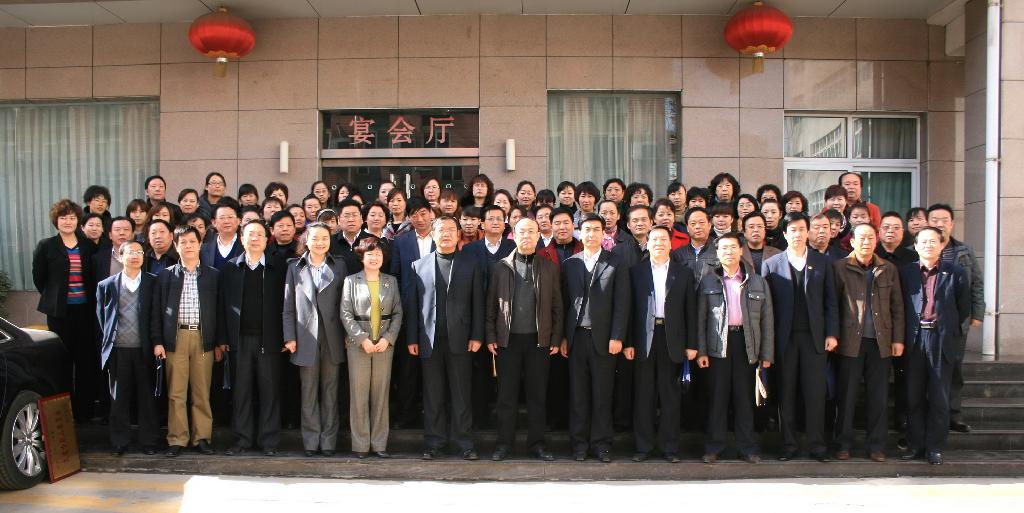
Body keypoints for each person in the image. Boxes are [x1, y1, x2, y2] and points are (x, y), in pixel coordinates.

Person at [761, 212, 839, 462]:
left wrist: (832, 333)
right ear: (785, 234)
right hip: (784, 340)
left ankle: (817, 445)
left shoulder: (823, 262)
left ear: (808, 232)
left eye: (801, 229)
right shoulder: (772, 264)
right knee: (786, 393)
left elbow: (831, 301)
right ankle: (788, 445)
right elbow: (766, 308)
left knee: (815, 393)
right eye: (792, 230)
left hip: (815, 339)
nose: (797, 234)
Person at [407, 216, 485, 461]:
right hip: (429, 340)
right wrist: (412, 338)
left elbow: (478, 302)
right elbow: (413, 305)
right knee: (433, 395)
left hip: (461, 339)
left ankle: (464, 443)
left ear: (458, 234)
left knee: (461, 394)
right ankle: (434, 443)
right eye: (442, 230)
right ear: (433, 234)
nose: (447, 234)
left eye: (452, 229)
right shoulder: (418, 265)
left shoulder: (470, 264)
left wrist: (477, 335)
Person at [486, 218, 563, 462]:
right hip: (507, 341)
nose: (527, 236)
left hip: (539, 342)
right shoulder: (501, 267)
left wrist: (555, 337)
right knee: (506, 397)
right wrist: (490, 335)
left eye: (531, 231)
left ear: (538, 235)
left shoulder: (549, 268)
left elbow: (557, 306)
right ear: (514, 236)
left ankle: (537, 444)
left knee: (537, 396)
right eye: (522, 232)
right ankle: (503, 444)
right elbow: (491, 305)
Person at [697, 232, 774, 464]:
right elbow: (701, 319)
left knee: (744, 399)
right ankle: (714, 447)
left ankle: (747, 448)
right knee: (717, 399)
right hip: (718, 345)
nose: (728, 252)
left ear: (741, 250)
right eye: (723, 248)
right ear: (717, 253)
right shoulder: (708, 281)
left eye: (733, 247)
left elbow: (767, 320)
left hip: (746, 344)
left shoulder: (757, 281)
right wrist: (701, 351)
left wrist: (766, 354)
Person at [560, 213, 630, 463]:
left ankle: (601, 444)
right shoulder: (570, 263)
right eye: (587, 229)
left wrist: (617, 336)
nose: (591, 234)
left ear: (604, 233)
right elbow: (564, 303)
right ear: (580, 233)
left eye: (596, 230)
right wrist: (563, 337)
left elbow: (622, 302)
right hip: (576, 338)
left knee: (602, 395)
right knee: (578, 395)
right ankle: (579, 444)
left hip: (605, 339)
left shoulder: (616, 262)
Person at [832, 223, 904, 462]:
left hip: (881, 342)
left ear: (877, 240)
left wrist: (898, 339)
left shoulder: (888, 269)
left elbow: (897, 306)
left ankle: (876, 446)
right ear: (852, 241)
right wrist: (833, 335)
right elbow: (833, 305)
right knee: (847, 396)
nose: (866, 242)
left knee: (879, 397)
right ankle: (843, 444)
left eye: (870, 238)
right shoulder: (840, 268)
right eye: (861, 238)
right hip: (850, 342)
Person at [899, 227, 970, 465]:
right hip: (915, 339)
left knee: (939, 397)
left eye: (933, 241)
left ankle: (935, 447)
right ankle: (915, 445)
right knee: (914, 396)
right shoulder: (906, 272)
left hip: (941, 338)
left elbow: (963, 308)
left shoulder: (956, 273)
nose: (928, 245)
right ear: (916, 246)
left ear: (941, 245)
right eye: (923, 242)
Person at [627, 226, 696, 463]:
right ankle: (643, 447)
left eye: (663, 239)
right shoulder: (636, 272)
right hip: (643, 340)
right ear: (647, 243)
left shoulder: (683, 273)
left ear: (671, 243)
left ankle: (670, 448)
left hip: (672, 339)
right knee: (643, 396)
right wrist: (628, 342)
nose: (659, 243)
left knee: (670, 397)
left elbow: (690, 310)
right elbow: (629, 310)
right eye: (654, 239)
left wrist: (691, 344)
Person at [218, 220, 287, 457]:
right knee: (241, 392)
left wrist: (285, 336)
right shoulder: (230, 268)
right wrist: (223, 337)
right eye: (250, 234)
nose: (255, 238)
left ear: (267, 239)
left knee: (270, 392)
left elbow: (287, 305)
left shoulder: (278, 267)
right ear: (242, 239)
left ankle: (269, 441)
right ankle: (242, 439)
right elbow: (222, 305)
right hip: (239, 340)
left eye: (259, 234)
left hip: (270, 339)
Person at [151, 225, 219, 457]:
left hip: (203, 338)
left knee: (201, 392)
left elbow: (219, 311)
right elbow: (156, 312)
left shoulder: (213, 275)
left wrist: (219, 342)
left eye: (192, 241)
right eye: (183, 242)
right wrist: (158, 341)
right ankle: (177, 438)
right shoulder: (165, 276)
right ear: (176, 246)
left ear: (200, 244)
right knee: (176, 392)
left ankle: (202, 437)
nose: (188, 246)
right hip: (175, 338)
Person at [282, 222, 347, 457]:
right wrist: (289, 336)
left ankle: (328, 441)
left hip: (333, 336)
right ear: (306, 241)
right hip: (305, 336)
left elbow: (346, 302)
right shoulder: (294, 267)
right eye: (315, 238)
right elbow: (288, 305)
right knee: (308, 391)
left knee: (330, 390)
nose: (320, 242)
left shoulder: (339, 265)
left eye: (324, 238)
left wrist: (347, 335)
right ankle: (310, 441)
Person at [33, 199, 98, 422]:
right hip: (59, 313)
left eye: (72, 217)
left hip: (86, 311)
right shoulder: (47, 246)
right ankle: (62, 413)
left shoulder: (88, 245)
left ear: (78, 220)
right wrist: (55, 297)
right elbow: (39, 278)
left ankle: (84, 412)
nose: (68, 222)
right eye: (63, 218)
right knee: (61, 361)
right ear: (56, 221)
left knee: (85, 361)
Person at [339, 237, 403, 459]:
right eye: (370, 254)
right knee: (359, 395)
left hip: (384, 344)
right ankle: (360, 444)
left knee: (380, 395)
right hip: (359, 345)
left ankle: (379, 443)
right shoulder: (351, 281)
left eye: (378, 254)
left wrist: (388, 338)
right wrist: (361, 339)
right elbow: (345, 313)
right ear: (362, 257)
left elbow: (398, 313)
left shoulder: (391, 281)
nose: (374, 258)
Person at [96, 240, 159, 456]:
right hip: (118, 349)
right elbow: (102, 318)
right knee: (119, 399)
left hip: (144, 348)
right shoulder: (106, 285)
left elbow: (156, 316)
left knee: (146, 397)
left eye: (139, 252)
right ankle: (120, 442)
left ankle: (149, 441)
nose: (135, 256)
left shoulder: (152, 282)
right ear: (120, 257)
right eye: (131, 252)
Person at [928, 203, 984, 434]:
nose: (939, 224)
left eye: (944, 220)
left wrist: (977, 313)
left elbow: (976, 283)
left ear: (951, 224)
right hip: (926, 323)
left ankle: (953, 414)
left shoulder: (964, 251)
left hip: (956, 322)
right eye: (935, 220)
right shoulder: (919, 248)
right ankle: (929, 414)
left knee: (954, 369)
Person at [390, 197, 436, 428]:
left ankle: (433, 416)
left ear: (431, 213)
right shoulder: (401, 242)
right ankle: (406, 415)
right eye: (414, 214)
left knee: (433, 368)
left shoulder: (442, 237)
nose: (419, 218)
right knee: (408, 368)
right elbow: (396, 276)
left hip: (437, 310)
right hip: (409, 312)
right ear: (409, 218)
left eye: (423, 213)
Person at [671, 207, 717, 282]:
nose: (697, 226)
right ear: (687, 228)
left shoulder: (719, 250)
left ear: (709, 225)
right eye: (693, 223)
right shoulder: (678, 254)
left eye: (701, 222)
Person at [201, 204, 243, 270]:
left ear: (239, 220)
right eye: (222, 218)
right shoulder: (204, 249)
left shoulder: (246, 246)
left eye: (230, 217)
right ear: (214, 222)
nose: (226, 221)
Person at [93, 216, 135, 282]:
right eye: (117, 230)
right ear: (110, 235)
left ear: (132, 234)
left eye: (126, 229)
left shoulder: (143, 256)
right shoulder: (99, 258)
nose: (122, 233)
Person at [332, 199, 368, 273]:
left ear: (361, 218)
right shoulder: (330, 242)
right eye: (346, 216)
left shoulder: (372, 241)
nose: (351, 219)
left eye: (354, 215)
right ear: (338, 220)